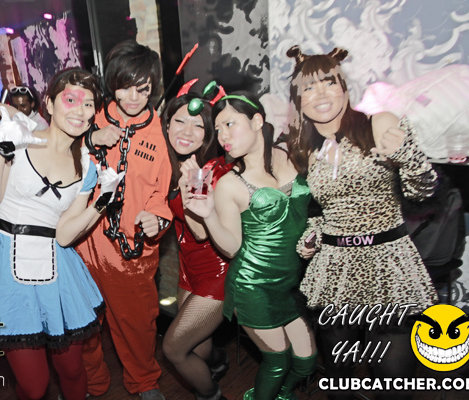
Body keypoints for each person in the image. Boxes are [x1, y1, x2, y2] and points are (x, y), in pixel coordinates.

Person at [285, 46, 438, 399]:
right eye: (308, 87)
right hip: (335, 270)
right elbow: (325, 211)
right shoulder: (305, 150)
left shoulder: (378, 124)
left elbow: (423, 190)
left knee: (394, 383)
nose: (320, 93)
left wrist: (407, 155)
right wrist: (312, 235)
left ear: (344, 88)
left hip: (387, 266)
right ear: (299, 101)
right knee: (339, 379)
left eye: (328, 82)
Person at [0, 68, 115, 400]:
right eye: (71, 99)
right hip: (5, 263)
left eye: (88, 104)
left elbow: (64, 235)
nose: (80, 110)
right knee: (34, 387)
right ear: (48, 104)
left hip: (55, 266)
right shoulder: (19, 138)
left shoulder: (86, 166)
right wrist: (0, 146)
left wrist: (102, 202)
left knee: (73, 370)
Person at [185, 92, 317, 400]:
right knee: (277, 361)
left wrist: (315, 234)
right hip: (252, 285)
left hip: (290, 282)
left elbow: (315, 208)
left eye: (229, 124)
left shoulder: (293, 156)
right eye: (218, 129)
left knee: (306, 362)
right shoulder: (230, 183)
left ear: (257, 121)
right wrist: (208, 216)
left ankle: (281, 396)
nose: (223, 135)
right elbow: (232, 248)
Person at [75, 40, 173, 400]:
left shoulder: (161, 133)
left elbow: (160, 193)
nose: (133, 97)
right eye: (125, 87)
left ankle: (144, 381)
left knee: (137, 323)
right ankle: (91, 383)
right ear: (112, 83)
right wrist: (90, 137)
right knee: (82, 324)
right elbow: (55, 151)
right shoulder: (89, 117)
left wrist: (157, 217)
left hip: (129, 251)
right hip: (82, 242)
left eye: (143, 89)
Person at [160, 85, 233, 400]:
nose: (187, 132)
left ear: (209, 134)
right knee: (198, 349)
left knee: (174, 349)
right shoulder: (167, 163)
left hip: (217, 271)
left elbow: (201, 232)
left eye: (198, 126)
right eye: (179, 121)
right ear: (167, 124)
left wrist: (192, 186)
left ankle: (211, 395)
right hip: (188, 266)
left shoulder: (214, 170)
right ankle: (217, 361)